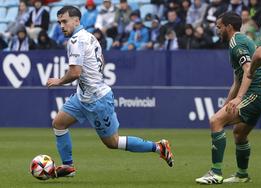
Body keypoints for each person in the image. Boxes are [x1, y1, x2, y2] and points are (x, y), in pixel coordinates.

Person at [46, 6, 174, 178]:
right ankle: (68, 166)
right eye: (59, 22)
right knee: (59, 124)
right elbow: (101, 60)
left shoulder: (76, 41)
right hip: (82, 96)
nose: (61, 26)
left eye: (64, 21)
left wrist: (58, 81)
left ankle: (159, 147)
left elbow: (75, 72)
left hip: (97, 100)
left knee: (113, 142)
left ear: (77, 20)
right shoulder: (90, 37)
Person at [195, 11, 261, 184]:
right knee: (239, 133)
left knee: (215, 121)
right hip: (258, 91)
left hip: (257, 92)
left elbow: (248, 69)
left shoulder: (237, 42)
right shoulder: (238, 42)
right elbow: (237, 80)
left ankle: (215, 173)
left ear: (228, 27)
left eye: (219, 27)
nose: (217, 31)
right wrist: (228, 102)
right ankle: (242, 175)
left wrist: (239, 98)